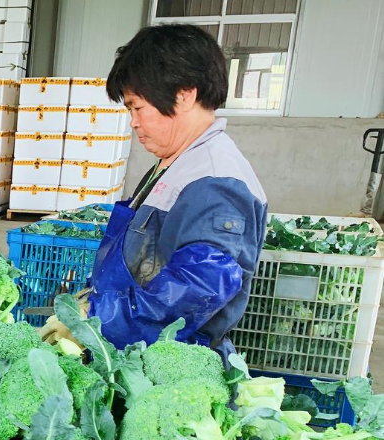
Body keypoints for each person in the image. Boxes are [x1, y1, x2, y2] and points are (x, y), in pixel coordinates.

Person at [40, 24, 267, 360]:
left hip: (168, 363)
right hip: (131, 349)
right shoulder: (177, 161)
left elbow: (194, 292)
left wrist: (93, 319)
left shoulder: (215, 182)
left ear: (184, 94)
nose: (133, 121)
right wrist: (89, 303)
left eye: (137, 107)